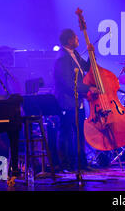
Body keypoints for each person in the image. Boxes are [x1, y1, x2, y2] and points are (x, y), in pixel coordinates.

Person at [53, 29, 98, 172]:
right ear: (69, 40)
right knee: (67, 133)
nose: (78, 40)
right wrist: (88, 89)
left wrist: (92, 54)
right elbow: (67, 82)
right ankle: (66, 165)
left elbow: (87, 68)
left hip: (77, 101)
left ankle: (81, 164)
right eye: (76, 38)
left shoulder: (74, 54)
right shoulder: (62, 58)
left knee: (79, 133)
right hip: (67, 102)